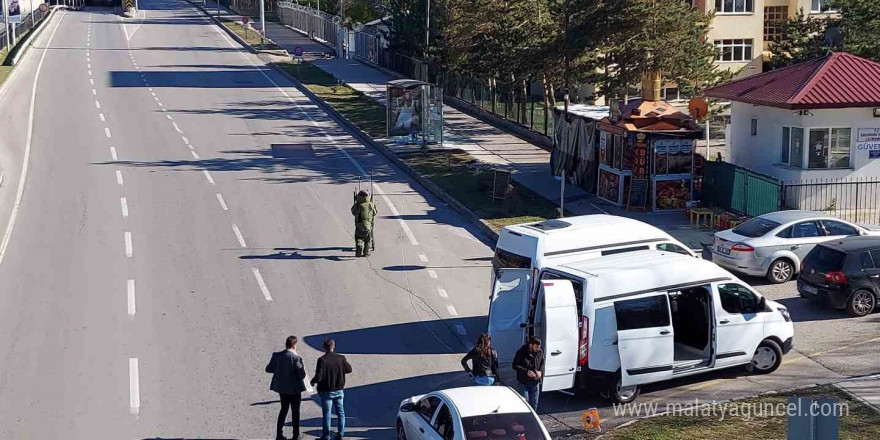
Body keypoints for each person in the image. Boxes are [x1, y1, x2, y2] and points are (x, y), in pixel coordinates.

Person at [265, 336, 307, 440]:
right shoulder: (296, 358)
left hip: (282, 388)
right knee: (295, 411)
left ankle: (279, 434)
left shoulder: (276, 356)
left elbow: (268, 369)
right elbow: (302, 375)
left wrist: (279, 370)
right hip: (295, 390)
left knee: (283, 409)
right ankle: (295, 435)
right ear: (293, 345)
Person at [310, 338, 352, 440]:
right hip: (339, 390)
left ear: (324, 347)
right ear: (334, 346)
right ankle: (340, 433)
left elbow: (319, 377)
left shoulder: (322, 360)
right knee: (341, 413)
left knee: (327, 414)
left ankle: (326, 435)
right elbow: (349, 369)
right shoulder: (341, 358)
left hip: (326, 391)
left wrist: (312, 381)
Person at [512, 337, 544, 410]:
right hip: (524, 382)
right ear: (530, 345)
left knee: (534, 404)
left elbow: (542, 363)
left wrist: (540, 372)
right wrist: (526, 371)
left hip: (535, 381)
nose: (538, 349)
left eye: (539, 347)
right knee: (525, 403)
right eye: (536, 347)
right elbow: (515, 365)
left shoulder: (540, 352)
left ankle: (533, 419)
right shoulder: (521, 352)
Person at [350, 190, 377, 257]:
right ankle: (366, 252)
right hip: (368, 226)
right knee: (368, 240)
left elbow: (353, 212)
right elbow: (375, 212)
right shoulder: (371, 205)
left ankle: (359, 245)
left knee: (358, 237)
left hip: (359, 225)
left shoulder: (358, 205)